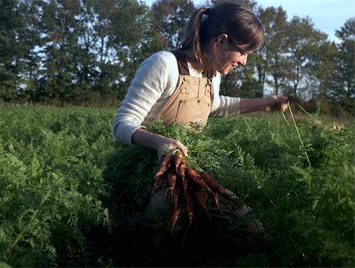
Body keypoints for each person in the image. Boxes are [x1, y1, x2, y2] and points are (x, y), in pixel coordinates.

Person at [112, 3, 287, 232]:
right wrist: (161, 143)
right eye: (243, 52)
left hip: (189, 169)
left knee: (250, 226)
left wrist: (264, 103)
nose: (244, 61)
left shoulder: (211, 74)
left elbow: (216, 105)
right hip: (151, 172)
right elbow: (122, 124)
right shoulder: (165, 65)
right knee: (157, 228)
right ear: (221, 40)